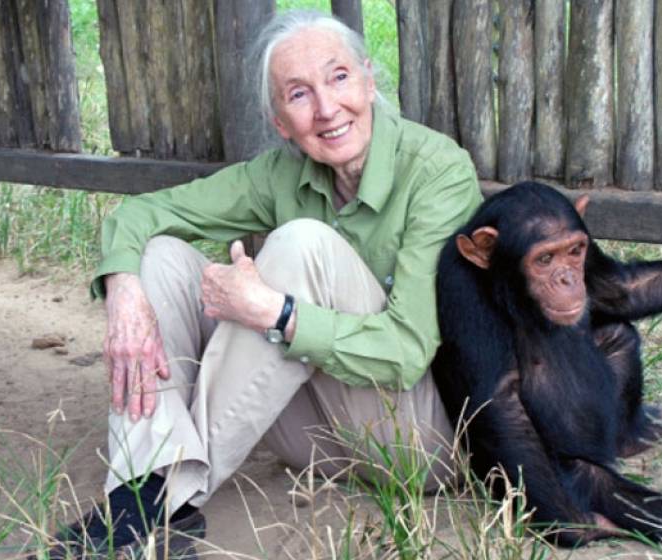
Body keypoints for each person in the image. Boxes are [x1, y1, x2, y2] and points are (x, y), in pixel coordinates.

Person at [56, 9, 483, 557]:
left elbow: (404, 354)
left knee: (303, 244)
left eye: (339, 77)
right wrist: (123, 289)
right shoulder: (280, 173)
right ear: (280, 120)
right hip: (312, 440)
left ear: (370, 81)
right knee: (158, 257)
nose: (328, 109)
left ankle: (153, 498)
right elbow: (144, 214)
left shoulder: (436, 170)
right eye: (299, 94)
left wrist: (277, 314)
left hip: (411, 441)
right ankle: (149, 487)